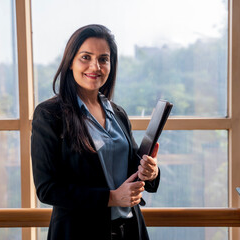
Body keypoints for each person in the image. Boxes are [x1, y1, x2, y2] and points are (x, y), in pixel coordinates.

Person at [31, 24, 160, 240]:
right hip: (79, 232)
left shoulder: (118, 113)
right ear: (70, 62)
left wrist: (151, 172)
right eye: (85, 57)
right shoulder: (49, 115)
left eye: (103, 59)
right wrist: (111, 198)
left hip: (129, 231)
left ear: (111, 65)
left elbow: (133, 166)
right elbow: (47, 189)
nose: (95, 66)